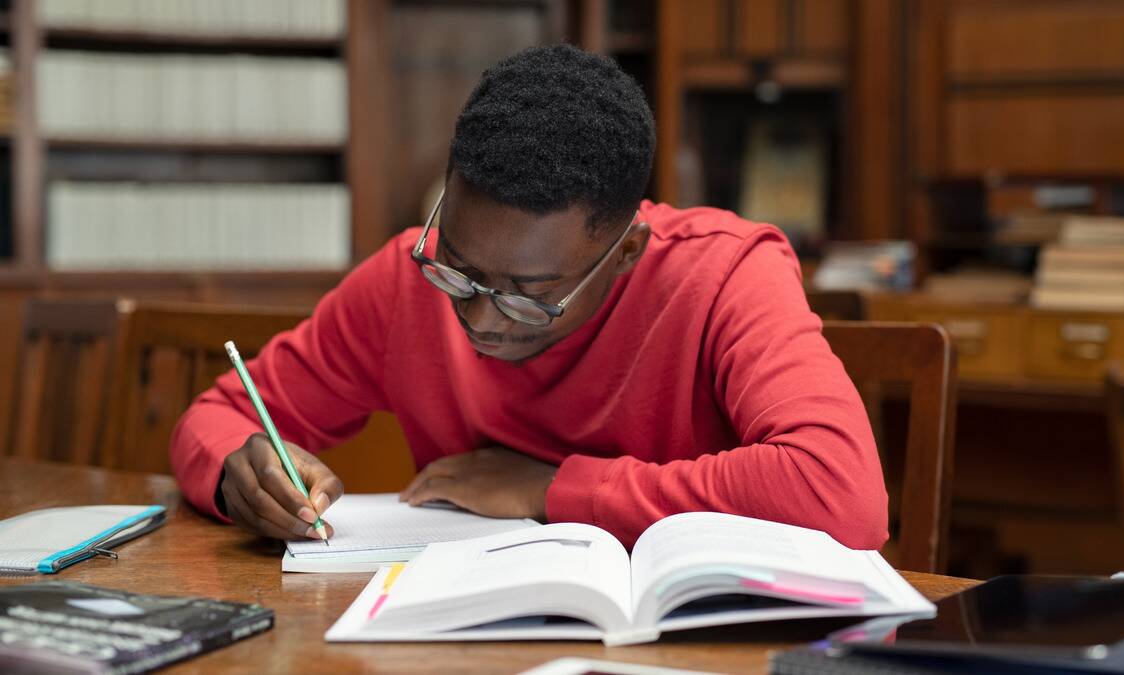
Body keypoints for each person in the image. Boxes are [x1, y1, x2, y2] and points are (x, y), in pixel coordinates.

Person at [170, 44, 888, 550]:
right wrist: (241, 472)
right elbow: (219, 416)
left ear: (625, 251)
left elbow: (839, 491)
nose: (479, 317)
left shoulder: (725, 273)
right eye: (457, 265)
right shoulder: (404, 282)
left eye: (529, 296)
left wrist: (555, 490)